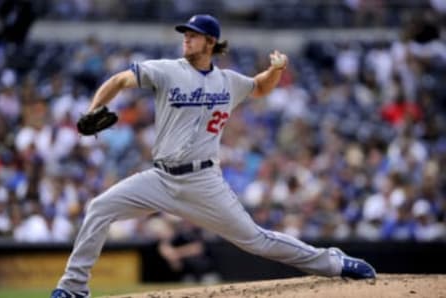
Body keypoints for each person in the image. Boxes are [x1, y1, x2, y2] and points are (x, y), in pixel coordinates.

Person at [51, 14, 376, 298]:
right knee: (99, 208)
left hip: (203, 180)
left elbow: (260, 87)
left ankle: (334, 262)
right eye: (185, 34)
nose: (186, 39)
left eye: (192, 35)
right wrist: (94, 108)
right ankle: (74, 287)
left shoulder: (228, 81)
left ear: (210, 41)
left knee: (256, 241)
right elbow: (120, 79)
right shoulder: (166, 71)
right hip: (161, 178)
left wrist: (275, 70)